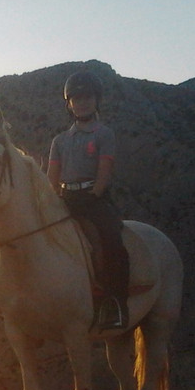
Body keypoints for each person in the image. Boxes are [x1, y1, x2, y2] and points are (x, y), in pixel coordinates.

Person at [47, 70, 130, 330]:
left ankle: (115, 302)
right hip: (66, 197)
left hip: (93, 198)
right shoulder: (60, 141)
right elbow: (51, 176)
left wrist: (92, 194)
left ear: (96, 100)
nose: (82, 102)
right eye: (76, 98)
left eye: (87, 97)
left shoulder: (103, 134)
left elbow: (104, 172)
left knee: (111, 238)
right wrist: (50, 200)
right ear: (69, 104)